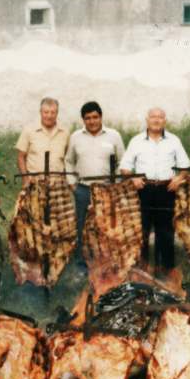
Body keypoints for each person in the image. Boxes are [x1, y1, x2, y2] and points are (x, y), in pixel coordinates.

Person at [120, 108, 189, 273]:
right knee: (141, 232)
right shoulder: (136, 141)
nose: (156, 120)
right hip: (143, 190)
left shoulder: (174, 140)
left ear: (165, 120)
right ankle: (141, 271)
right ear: (147, 120)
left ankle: (165, 272)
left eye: (160, 117)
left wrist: (178, 179)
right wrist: (133, 178)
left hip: (167, 190)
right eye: (153, 117)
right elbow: (124, 167)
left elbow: (185, 166)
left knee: (165, 233)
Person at [65, 101, 126, 266]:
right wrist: (73, 185)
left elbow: (123, 161)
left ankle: (105, 261)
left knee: (106, 226)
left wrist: (117, 184)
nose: (92, 121)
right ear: (83, 120)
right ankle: (82, 262)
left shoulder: (114, 135)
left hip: (107, 188)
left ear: (101, 117)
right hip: (84, 189)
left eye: (95, 117)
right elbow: (69, 161)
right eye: (88, 118)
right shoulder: (76, 137)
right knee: (82, 226)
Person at [15, 97, 70, 185]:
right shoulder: (29, 130)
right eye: (46, 112)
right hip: (34, 182)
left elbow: (67, 158)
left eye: (53, 112)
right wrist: (25, 179)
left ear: (57, 113)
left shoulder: (65, 132)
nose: (49, 116)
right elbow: (20, 157)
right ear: (40, 112)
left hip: (58, 182)